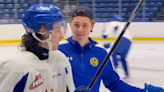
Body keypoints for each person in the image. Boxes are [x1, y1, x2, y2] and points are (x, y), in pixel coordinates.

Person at [58, 5, 164, 92]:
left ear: (92, 26)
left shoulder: (100, 53)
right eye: (76, 24)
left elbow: (114, 84)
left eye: (85, 25)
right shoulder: (59, 50)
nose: (80, 30)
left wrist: (143, 91)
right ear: (70, 24)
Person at [0, 3, 92, 92]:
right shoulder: (16, 68)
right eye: (57, 30)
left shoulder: (61, 60)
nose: (61, 35)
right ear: (42, 31)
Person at [102, 15, 132, 79]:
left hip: (123, 39)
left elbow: (109, 31)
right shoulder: (121, 26)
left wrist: (105, 34)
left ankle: (116, 67)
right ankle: (127, 74)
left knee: (114, 52)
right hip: (129, 41)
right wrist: (109, 44)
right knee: (122, 58)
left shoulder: (114, 23)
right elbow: (118, 43)